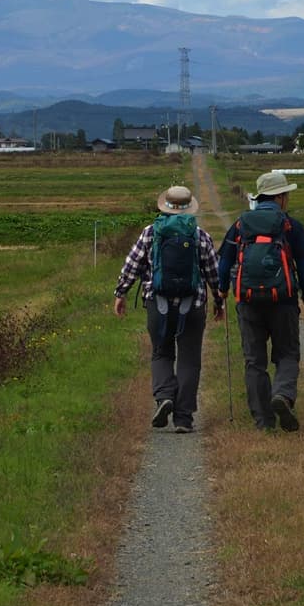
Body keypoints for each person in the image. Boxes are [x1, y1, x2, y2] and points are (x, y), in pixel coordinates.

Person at [115, 184, 222, 433]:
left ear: (165, 206)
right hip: (192, 305)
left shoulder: (150, 233)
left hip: (158, 303)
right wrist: (219, 300)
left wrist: (121, 293)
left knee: (161, 353)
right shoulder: (200, 235)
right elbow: (214, 273)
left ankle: (165, 396)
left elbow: (131, 266)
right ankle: (183, 418)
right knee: (189, 359)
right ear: (188, 208)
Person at [216, 170, 304, 432]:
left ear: (260, 197)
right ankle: (282, 394)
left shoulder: (240, 224)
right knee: (287, 353)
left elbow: (224, 261)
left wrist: (223, 290)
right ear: (280, 197)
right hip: (283, 300)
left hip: (247, 300)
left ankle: (263, 421)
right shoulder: (290, 225)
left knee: (254, 360)